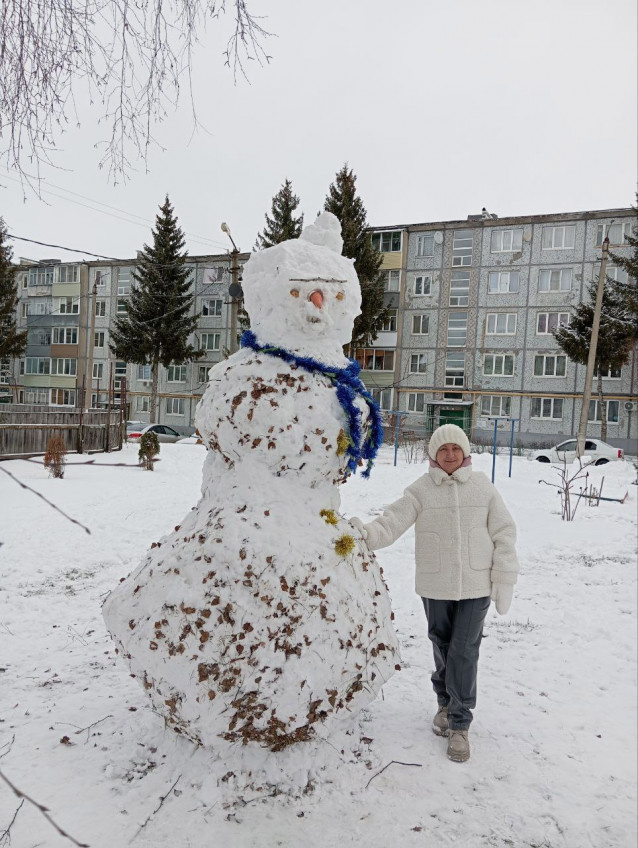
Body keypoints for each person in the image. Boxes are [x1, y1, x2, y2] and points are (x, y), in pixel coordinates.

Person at [351, 423, 519, 763]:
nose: (450, 455)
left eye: (456, 449)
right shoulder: (421, 490)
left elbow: (504, 531)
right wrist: (365, 535)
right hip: (436, 584)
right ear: (434, 454)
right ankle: (444, 701)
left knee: (463, 651)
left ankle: (459, 723)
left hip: (475, 585)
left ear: (465, 452)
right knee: (441, 644)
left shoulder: (483, 489)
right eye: (444, 450)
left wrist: (504, 573)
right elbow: (391, 521)